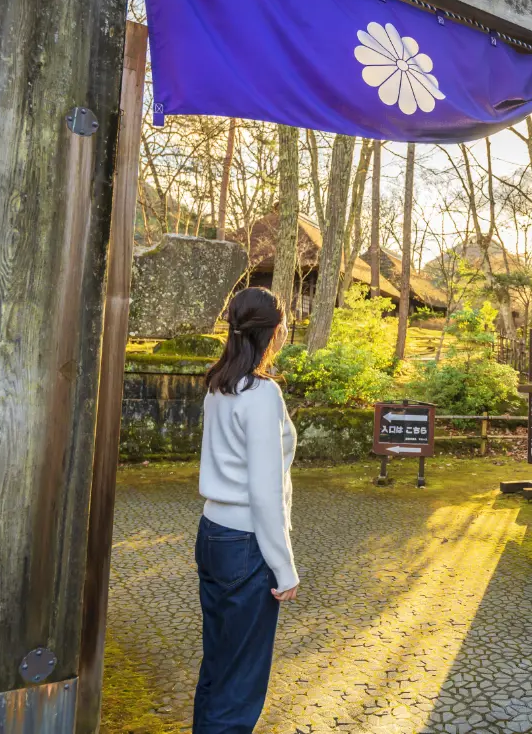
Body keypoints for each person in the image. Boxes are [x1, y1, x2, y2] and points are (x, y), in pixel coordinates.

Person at [193, 287, 299, 733]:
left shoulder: (218, 385)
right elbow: (265, 490)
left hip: (213, 533)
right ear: (273, 332)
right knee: (240, 683)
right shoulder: (261, 394)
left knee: (219, 664)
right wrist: (284, 566)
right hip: (246, 543)